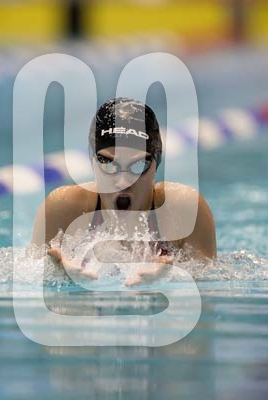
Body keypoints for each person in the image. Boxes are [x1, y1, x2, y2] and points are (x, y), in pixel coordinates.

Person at [31, 98, 216, 286]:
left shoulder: (184, 209)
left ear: (157, 162)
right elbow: (28, 278)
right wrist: (58, 277)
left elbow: (208, 289)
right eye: (108, 164)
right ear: (92, 161)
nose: (123, 182)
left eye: (138, 165)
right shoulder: (63, 207)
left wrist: (171, 281)